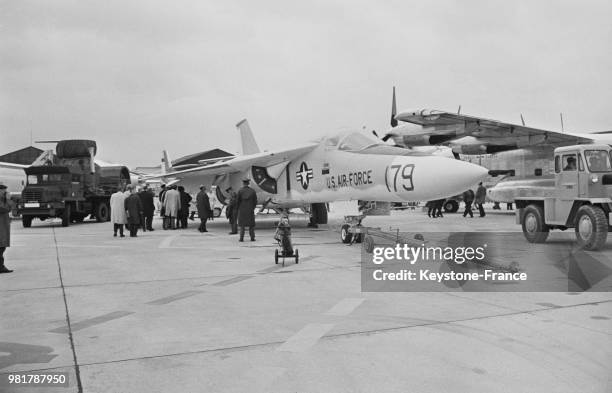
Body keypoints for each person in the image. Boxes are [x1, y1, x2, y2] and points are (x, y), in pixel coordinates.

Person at [236, 178, 257, 242]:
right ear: (248, 183)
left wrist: (239, 208)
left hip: (242, 211)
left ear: (243, 183)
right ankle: (252, 238)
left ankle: (241, 238)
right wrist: (252, 207)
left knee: (242, 226)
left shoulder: (240, 191)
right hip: (250, 210)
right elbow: (255, 201)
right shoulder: (252, 191)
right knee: (251, 226)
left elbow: (237, 201)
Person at [0, 182, 14, 273]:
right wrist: (8, 200)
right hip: (1, 228)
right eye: (4, 190)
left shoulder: (2, 199)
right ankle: (1, 267)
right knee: (0, 247)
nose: (6, 191)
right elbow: (4, 208)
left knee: (2, 247)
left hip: (3, 227)